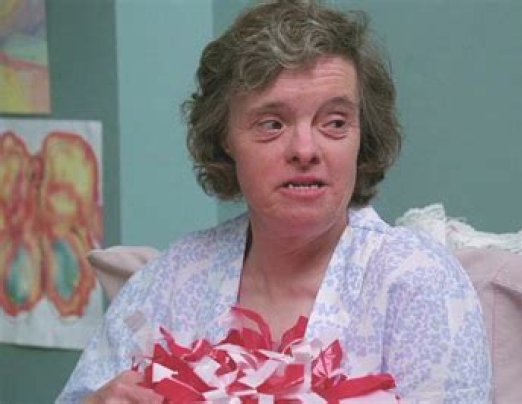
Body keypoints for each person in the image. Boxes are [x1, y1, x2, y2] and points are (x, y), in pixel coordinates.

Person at [58, 0, 491, 402]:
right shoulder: (171, 280)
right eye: (272, 124)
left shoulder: (419, 284)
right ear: (225, 139)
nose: (305, 150)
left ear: (363, 137)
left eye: (334, 122)